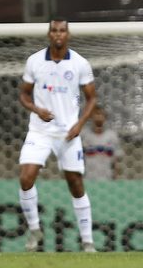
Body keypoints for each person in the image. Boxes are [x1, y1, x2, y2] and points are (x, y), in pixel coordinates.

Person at [18, 18, 98, 253]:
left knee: (75, 183)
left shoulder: (80, 63)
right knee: (26, 178)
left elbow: (92, 98)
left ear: (68, 34)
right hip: (40, 131)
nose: (58, 34)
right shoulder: (34, 61)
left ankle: (87, 241)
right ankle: (34, 230)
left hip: (68, 133)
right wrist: (36, 109)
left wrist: (80, 124)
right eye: (54, 30)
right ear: (49, 34)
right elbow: (23, 95)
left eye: (62, 30)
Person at [83, 107, 124, 180]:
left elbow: (116, 160)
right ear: (91, 117)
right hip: (89, 178)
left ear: (105, 117)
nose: (98, 117)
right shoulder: (85, 135)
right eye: (96, 114)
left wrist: (116, 177)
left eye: (101, 114)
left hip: (107, 178)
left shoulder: (112, 136)